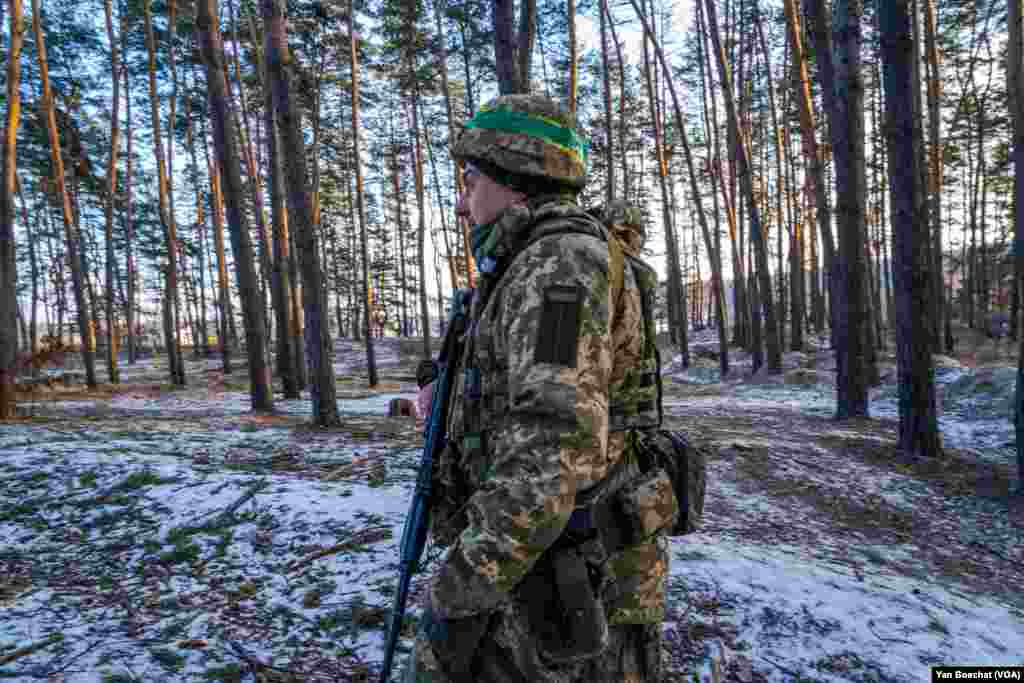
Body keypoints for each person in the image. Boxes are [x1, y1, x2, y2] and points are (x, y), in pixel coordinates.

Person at [403, 95, 669, 683]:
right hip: (539, 559)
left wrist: (461, 590)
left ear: (513, 180)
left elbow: (553, 451)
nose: (461, 200)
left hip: (564, 575)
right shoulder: (529, 263)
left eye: (469, 181)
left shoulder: (559, 269)